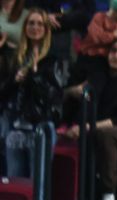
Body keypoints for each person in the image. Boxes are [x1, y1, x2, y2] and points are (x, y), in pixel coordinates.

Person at [63, 35, 117, 200]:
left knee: (106, 136)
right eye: (113, 51)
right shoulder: (98, 75)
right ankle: (78, 198)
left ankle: (108, 194)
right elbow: (83, 99)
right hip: (90, 129)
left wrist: (87, 127)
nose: (116, 56)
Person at [3, 8, 65, 179]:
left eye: (39, 24)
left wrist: (33, 75)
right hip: (15, 127)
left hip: (40, 127)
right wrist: (14, 80)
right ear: (25, 27)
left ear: (46, 29)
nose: (35, 27)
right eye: (31, 23)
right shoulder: (17, 57)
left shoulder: (53, 59)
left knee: (37, 182)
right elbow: (3, 93)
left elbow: (53, 96)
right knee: (15, 181)